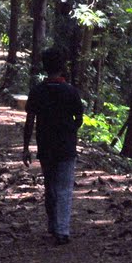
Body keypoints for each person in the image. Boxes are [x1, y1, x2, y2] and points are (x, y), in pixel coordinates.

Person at [22, 47, 83, 246]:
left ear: (44, 66)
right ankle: (62, 230)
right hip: (66, 147)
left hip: (45, 146)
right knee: (64, 188)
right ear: (62, 66)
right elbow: (79, 118)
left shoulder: (37, 91)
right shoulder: (71, 91)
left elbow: (29, 121)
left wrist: (25, 147)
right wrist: (70, 131)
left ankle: (53, 225)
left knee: (50, 187)